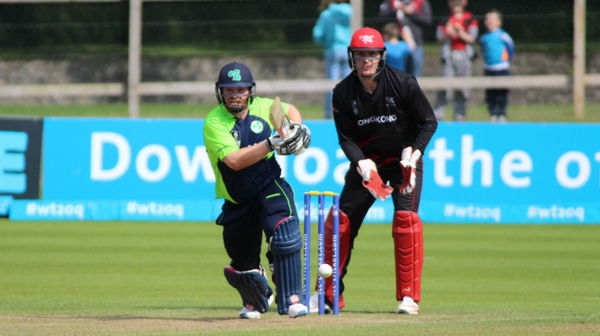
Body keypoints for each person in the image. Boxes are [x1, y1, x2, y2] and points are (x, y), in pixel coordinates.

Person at [312, 27, 437, 315]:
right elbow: (345, 138)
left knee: (405, 220)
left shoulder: (403, 83)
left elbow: (428, 122)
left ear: (381, 57)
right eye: (360, 55)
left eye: (371, 55)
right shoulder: (343, 92)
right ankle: (330, 294)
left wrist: (413, 153)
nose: (366, 60)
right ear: (351, 58)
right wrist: (361, 163)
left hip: (404, 161)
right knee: (340, 223)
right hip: (368, 164)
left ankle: (409, 297)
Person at [203, 62, 311, 319]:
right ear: (220, 92)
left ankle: (292, 299)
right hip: (237, 197)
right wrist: (272, 142)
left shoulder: (264, 106)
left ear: (250, 90)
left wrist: (296, 128)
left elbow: (291, 110)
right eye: (229, 90)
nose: (235, 95)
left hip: (268, 186)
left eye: (241, 89)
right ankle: (255, 297)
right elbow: (235, 161)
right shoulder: (214, 121)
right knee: (243, 267)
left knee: (284, 233)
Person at [433, 0, 478, 121]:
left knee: (463, 86)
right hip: (449, 55)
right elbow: (439, 38)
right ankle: (438, 114)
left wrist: (459, 31)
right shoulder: (445, 19)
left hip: (464, 55)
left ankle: (460, 114)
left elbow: (472, 38)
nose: (456, 4)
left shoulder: (470, 18)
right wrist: (447, 32)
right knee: (444, 85)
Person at [312, 0, 352, 119]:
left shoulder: (326, 14)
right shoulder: (348, 10)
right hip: (348, 49)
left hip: (332, 49)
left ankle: (329, 115)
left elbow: (317, 34)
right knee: (349, 84)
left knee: (331, 85)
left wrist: (326, 43)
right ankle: (349, 113)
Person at [378, 0, 432, 77]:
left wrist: (412, 13)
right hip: (396, 45)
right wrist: (394, 10)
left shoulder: (421, 2)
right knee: (393, 75)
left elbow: (428, 20)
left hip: (416, 43)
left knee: (415, 75)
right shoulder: (390, 2)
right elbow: (380, 18)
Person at [479, 9, 515, 122]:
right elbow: (482, 49)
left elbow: (511, 48)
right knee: (490, 93)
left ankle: (502, 113)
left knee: (501, 92)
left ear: (499, 22)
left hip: (501, 68)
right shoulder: (484, 37)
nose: (490, 21)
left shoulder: (503, 35)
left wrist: (506, 60)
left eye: (493, 19)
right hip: (489, 68)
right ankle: (493, 113)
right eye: (488, 19)